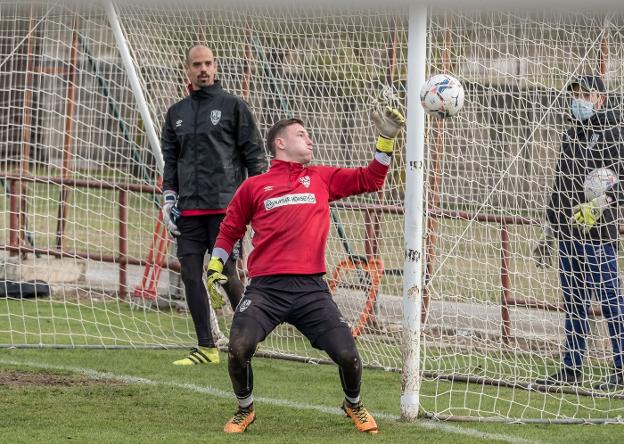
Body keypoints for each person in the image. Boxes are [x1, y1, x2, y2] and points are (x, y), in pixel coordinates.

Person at [203, 107, 404, 434]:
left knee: (349, 356)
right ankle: (245, 409)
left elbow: (372, 179)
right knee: (239, 348)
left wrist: (385, 140)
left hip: (311, 290)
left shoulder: (321, 178)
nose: (310, 139)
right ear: (280, 143)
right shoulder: (255, 187)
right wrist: (214, 266)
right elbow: (229, 230)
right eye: (301, 134)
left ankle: (352, 403)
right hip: (265, 290)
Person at [160, 44, 267, 366]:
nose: (203, 69)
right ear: (187, 69)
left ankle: (246, 338)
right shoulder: (176, 113)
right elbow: (171, 161)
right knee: (190, 274)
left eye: (208, 63)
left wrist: (258, 199)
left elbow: (255, 157)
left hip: (225, 207)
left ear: (215, 66)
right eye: (197, 64)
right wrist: (168, 198)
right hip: (189, 209)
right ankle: (206, 347)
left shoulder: (233, 106)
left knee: (223, 273)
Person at [534, 75, 624, 391]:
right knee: (574, 302)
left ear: (600, 98)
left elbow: (620, 183)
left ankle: (622, 369)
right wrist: (550, 225)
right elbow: (561, 183)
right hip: (568, 233)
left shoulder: (616, 132)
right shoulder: (572, 134)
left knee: (612, 301)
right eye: (575, 94)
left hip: (598, 234)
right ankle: (571, 368)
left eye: (586, 94)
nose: (579, 100)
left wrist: (599, 204)